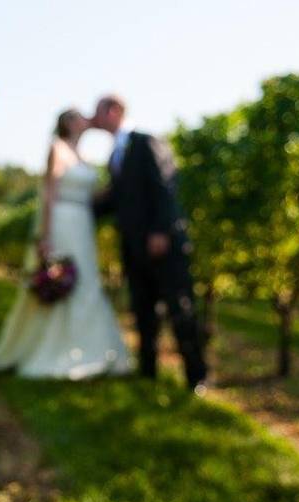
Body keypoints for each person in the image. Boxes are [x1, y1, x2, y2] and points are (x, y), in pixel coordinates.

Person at [0, 109, 132, 379]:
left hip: (83, 223)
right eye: (79, 117)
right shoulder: (58, 149)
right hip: (62, 222)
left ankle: (87, 348)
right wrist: (46, 236)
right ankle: (51, 347)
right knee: (61, 277)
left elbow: (94, 195)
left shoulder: (84, 157)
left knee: (86, 282)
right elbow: (49, 195)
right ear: (68, 122)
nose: (86, 119)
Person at [90, 95, 209, 393]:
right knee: (142, 310)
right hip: (133, 247)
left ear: (114, 111)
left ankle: (196, 377)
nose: (95, 118)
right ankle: (148, 372)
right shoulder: (115, 154)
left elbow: (165, 184)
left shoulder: (146, 140)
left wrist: (161, 231)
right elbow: (120, 200)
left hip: (163, 245)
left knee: (179, 309)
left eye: (98, 112)